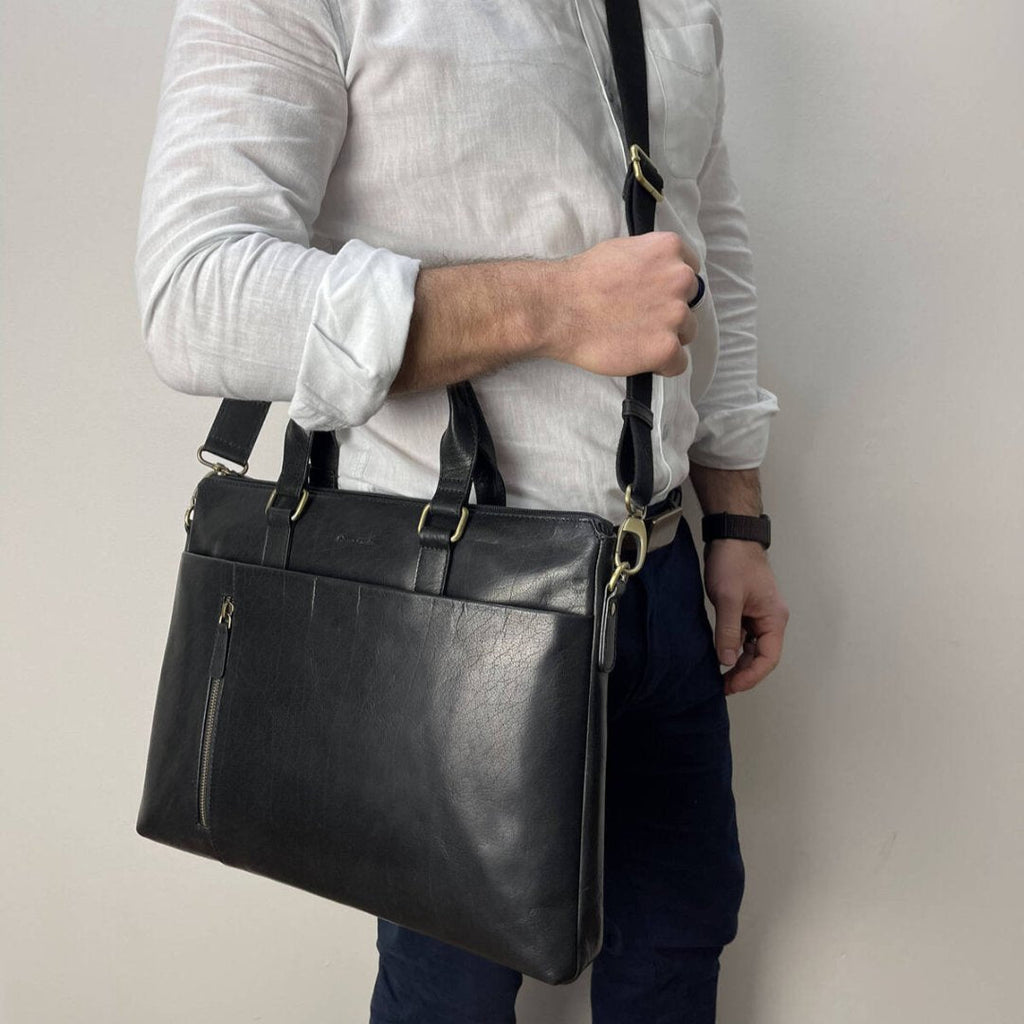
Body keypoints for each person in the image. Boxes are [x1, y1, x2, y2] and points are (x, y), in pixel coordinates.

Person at [135, 0, 790, 1019]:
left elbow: (710, 256)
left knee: (678, 940)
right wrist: (551, 306)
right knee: (452, 988)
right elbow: (194, 294)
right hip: (456, 599)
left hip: (661, 573)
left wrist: (736, 520)